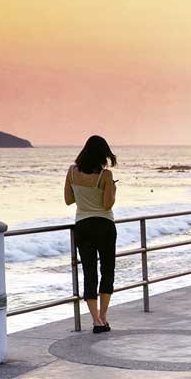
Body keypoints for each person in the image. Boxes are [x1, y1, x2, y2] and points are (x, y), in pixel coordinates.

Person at [64, 135, 118, 334]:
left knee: (89, 272)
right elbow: (107, 204)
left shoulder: (71, 172)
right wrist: (112, 188)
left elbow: (68, 200)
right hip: (104, 225)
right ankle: (103, 317)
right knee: (107, 270)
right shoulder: (105, 175)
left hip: (83, 226)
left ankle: (95, 320)